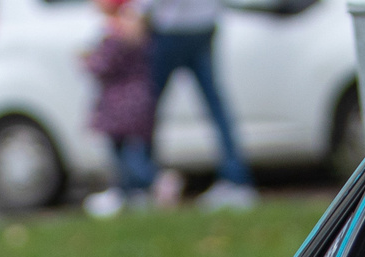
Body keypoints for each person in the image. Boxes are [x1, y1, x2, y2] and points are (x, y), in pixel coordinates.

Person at [147, 0, 254, 209]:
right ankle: (236, 179)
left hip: (171, 28)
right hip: (204, 24)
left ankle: (144, 180)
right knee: (216, 107)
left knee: (149, 108)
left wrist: (138, 11)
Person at [81, 0, 156, 219]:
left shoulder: (114, 36)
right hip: (140, 101)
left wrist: (87, 61)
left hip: (117, 106)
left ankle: (144, 184)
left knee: (122, 155)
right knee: (135, 150)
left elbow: (103, 66)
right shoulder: (139, 32)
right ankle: (139, 190)